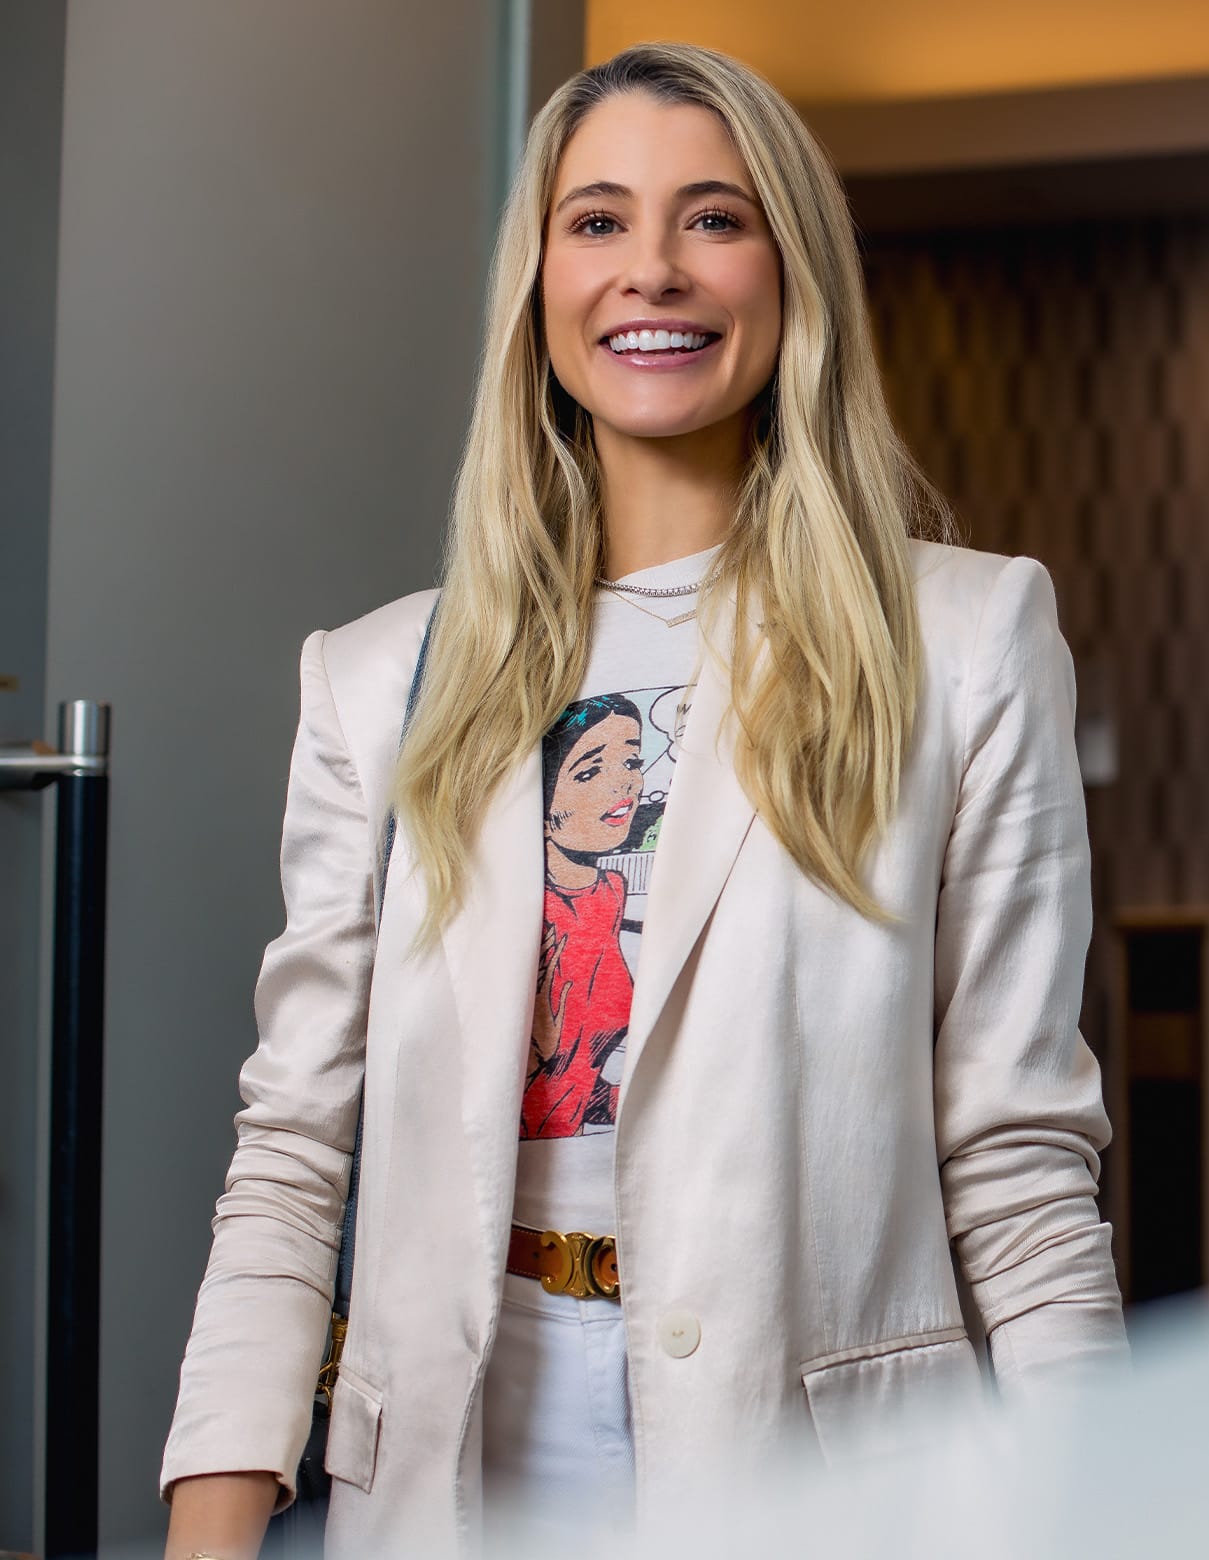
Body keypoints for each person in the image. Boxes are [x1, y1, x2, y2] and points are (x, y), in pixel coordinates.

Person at [160, 39, 1125, 1559]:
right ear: (540, 283)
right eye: (598, 220)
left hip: (822, 1484)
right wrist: (210, 1524)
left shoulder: (965, 639)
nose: (652, 269)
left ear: (791, 275)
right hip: (452, 1473)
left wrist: (1115, 1505)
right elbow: (293, 1149)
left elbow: (1016, 1162)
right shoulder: (377, 680)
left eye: (714, 218)